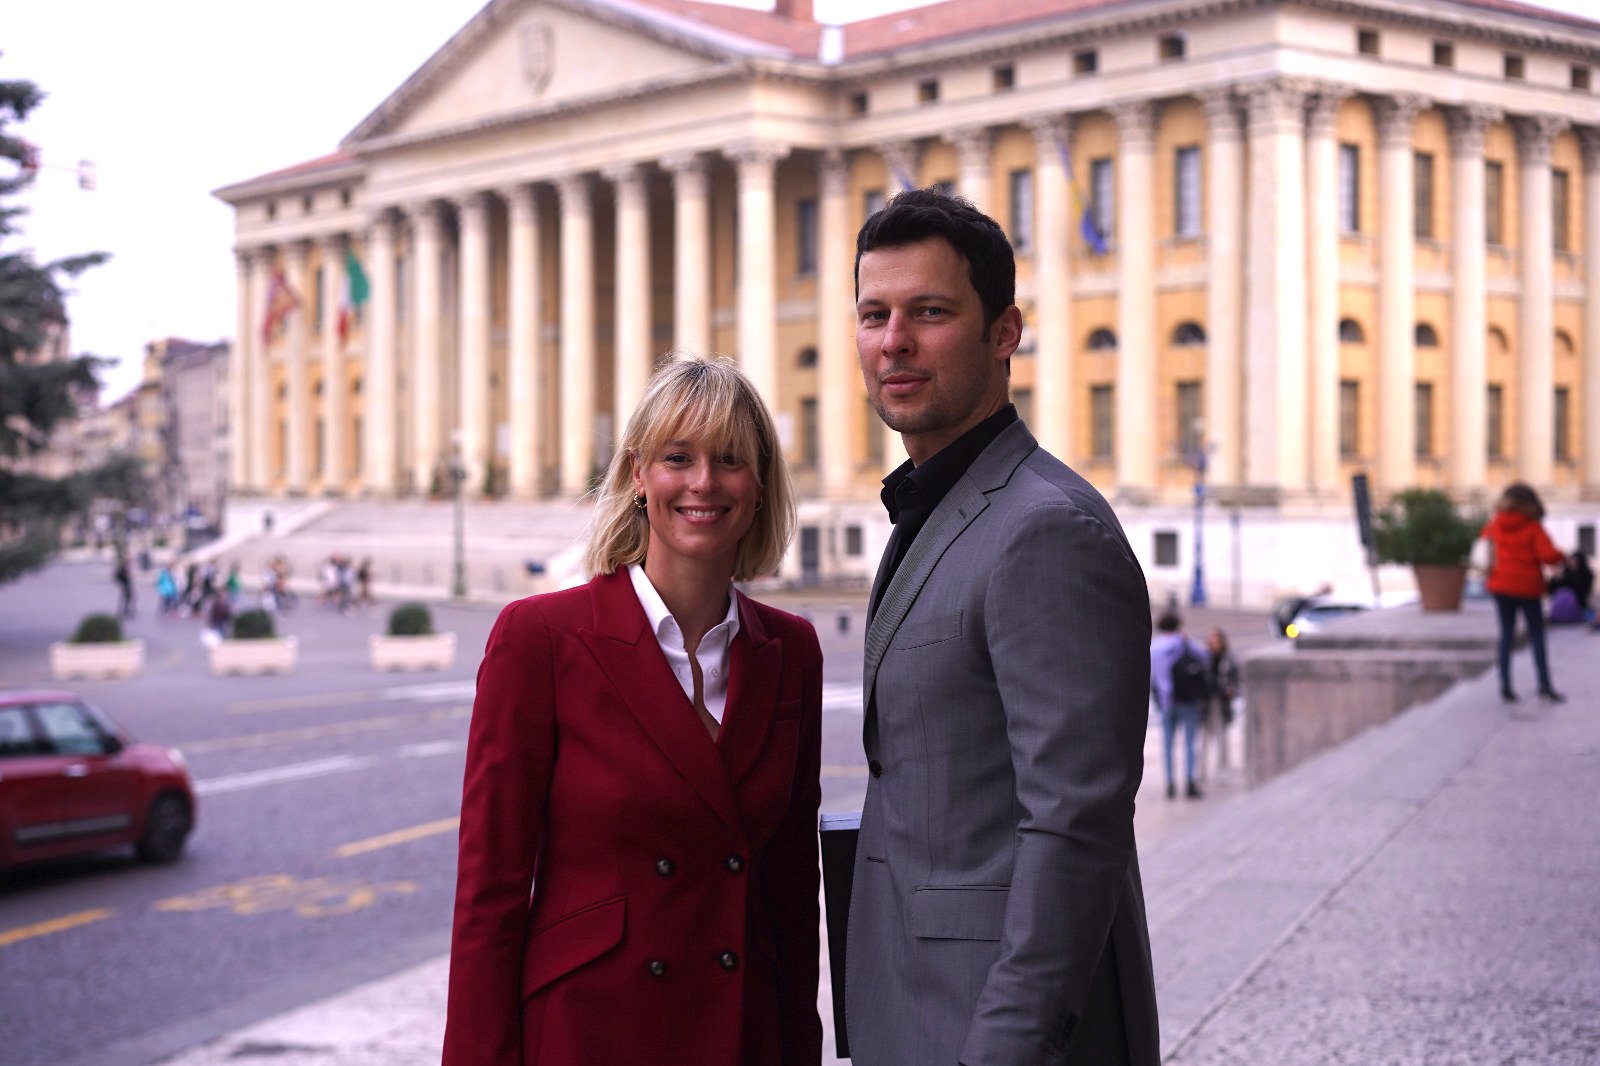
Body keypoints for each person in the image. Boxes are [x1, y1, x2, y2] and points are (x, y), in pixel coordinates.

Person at [845, 188, 1158, 1066]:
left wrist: (1008, 1050)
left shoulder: (1046, 530)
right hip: (913, 1010)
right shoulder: (948, 508)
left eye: (930, 312)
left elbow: (1074, 827)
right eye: (875, 314)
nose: (893, 341)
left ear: (1003, 334)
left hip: (991, 1033)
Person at [442, 355, 823, 1066]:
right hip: (592, 1034)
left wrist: (800, 1047)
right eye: (679, 458)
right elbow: (488, 895)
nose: (704, 482)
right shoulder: (541, 639)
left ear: (760, 484)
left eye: (730, 459)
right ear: (638, 475)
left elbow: (794, 891)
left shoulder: (792, 650)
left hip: (742, 1034)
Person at [1480, 482, 1566, 703]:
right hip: (1527, 587)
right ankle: (1544, 685)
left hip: (1500, 585)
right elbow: (1548, 555)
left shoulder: (1495, 523)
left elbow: (1484, 547)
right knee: (1536, 635)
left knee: (1506, 635)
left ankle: (1505, 686)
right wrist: (1563, 556)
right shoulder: (1532, 526)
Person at [1150, 612, 1212, 800]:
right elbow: (1205, 658)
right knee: (1189, 742)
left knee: (1168, 744)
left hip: (1166, 701)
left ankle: (1170, 783)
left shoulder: (1154, 646)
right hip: (1188, 699)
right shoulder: (1183, 642)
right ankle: (1189, 782)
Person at [1198, 627, 1241, 779]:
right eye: (1212, 640)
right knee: (1202, 738)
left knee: (1222, 736)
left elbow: (1237, 679)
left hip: (1221, 702)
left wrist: (1232, 690)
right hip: (1205, 702)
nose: (1214, 643)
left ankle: (1222, 769)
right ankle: (1200, 770)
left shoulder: (1229, 658)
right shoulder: (1203, 658)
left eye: (1217, 640)